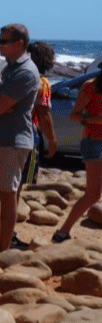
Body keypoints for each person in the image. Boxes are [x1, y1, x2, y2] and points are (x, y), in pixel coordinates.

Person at [0, 23, 40, 257]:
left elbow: (0, 107)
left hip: (12, 141)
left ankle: (3, 247)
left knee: (6, 194)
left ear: (19, 44)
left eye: (3, 41)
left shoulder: (26, 71)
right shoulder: (9, 67)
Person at [51, 69, 102, 243]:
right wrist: (97, 120)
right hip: (95, 142)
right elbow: (74, 115)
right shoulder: (91, 86)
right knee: (93, 194)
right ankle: (63, 232)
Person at [22, 41, 58, 186]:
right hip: (29, 135)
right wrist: (52, 140)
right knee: (26, 180)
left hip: (7, 133)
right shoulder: (42, 82)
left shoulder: (17, 75)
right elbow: (43, 114)